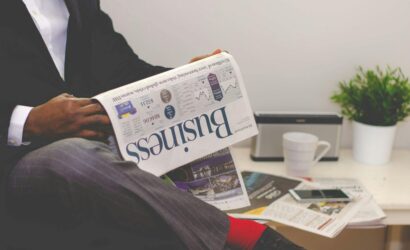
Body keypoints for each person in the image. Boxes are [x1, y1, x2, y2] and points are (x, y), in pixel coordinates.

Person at [0, 0, 303, 249]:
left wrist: (186, 78)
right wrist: (28, 122)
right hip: (17, 158)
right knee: (72, 157)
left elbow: (123, 72)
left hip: (96, 149)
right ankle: (251, 240)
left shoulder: (81, 4)